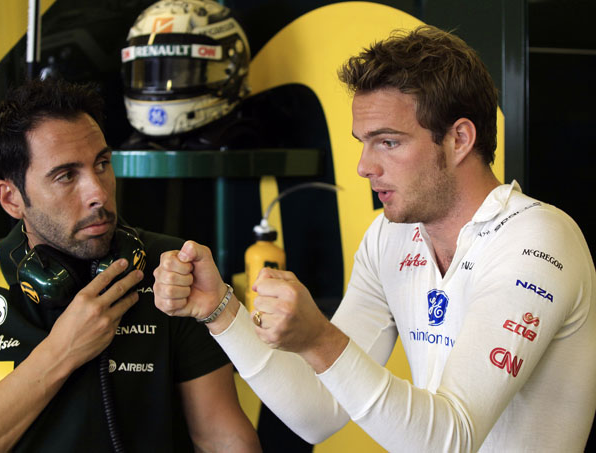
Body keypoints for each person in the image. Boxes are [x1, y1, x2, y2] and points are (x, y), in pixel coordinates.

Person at [153, 25, 596, 452]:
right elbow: (319, 412)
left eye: (388, 142)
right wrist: (221, 311)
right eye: (363, 143)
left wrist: (320, 339)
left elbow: (451, 441)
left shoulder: (537, 239)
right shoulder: (391, 236)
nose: (364, 167)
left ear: (460, 138)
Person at [0, 78, 260, 452]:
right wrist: (61, 352)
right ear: (11, 199)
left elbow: (222, 437)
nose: (98, 192)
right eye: (66, 176)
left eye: (102, 164)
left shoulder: (170, 268)